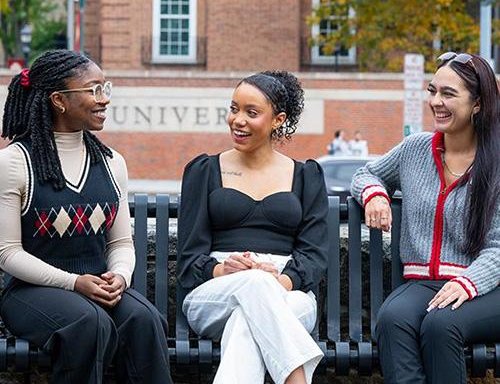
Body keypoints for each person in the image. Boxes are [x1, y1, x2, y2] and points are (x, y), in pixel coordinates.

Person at [0, 50, 173, 384]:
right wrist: (74, 282)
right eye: (93, 90)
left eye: (105, 88)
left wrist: (120, 276)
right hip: (31, 292)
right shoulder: (14, 163)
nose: (104, 99)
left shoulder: (111, 163)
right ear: (59, 100)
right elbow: (7, 252)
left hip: (97, 285)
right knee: (90, 324)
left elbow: (121, 242)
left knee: (144, 319)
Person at [351, 52, 500, 384]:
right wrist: (375, 195)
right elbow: (366, 173)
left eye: (448, 94)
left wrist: (467, 282)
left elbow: (498, 247)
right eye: (433, 91)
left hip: (487, 286)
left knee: (440, 324)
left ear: (477, 104)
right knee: (392, 319)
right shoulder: (415, 149)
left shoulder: (496, 162)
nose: (436, 101)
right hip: (424, 284)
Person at [177, 70, 328, 384]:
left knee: (247, 321)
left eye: (251, 112)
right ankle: (297, 379)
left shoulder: (306, 175)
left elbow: (313, 255)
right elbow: (190, 259)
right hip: (215, 290)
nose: (237, 120)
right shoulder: (204, 170)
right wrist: (224, 271)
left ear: (278, 119)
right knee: (254, 286)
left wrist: (282, 280)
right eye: (234, 109)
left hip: (290, 292)